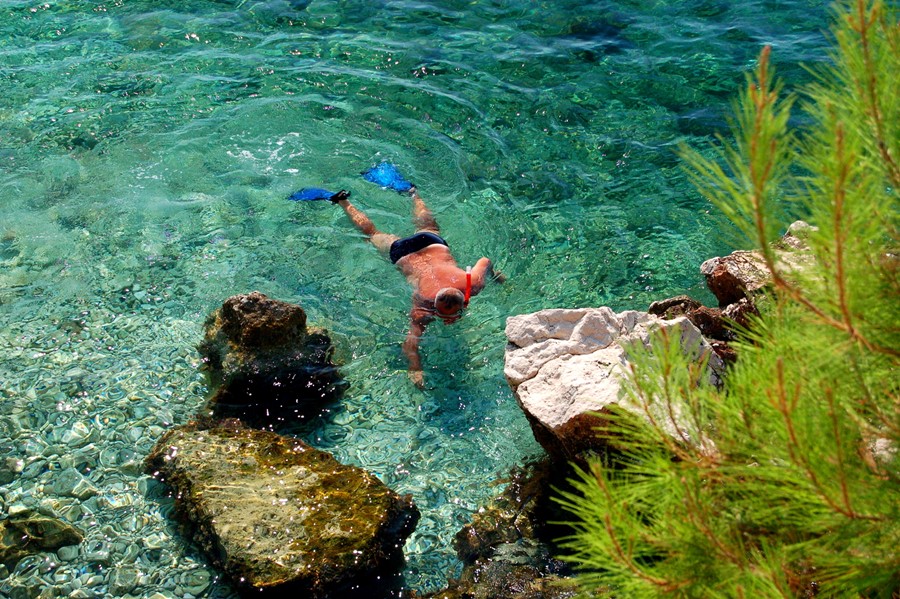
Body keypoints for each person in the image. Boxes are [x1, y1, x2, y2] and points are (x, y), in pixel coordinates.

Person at [327, 186, 504, 388]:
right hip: (403, 254)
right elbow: (410, 344)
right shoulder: (424, 305)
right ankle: (407, 194)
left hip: (428, 244)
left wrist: (495, 274)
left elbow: (485, 260)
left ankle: (347, 200)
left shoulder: (473, 283)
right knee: (371, 234)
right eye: (448, 316)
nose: (451, 320)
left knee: (398, 229)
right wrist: (415, 367)